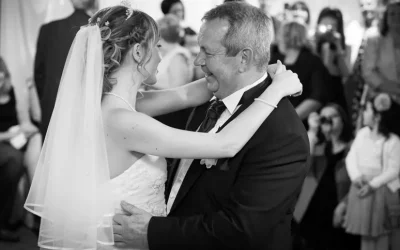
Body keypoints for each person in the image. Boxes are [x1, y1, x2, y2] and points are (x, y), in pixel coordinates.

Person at [24, 3, 304, 250]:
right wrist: (276, 90)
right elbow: (225, 144)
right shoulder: (123, 120)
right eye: (157, 47)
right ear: (137, 53)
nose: (192, 59)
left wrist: (260, 72)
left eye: (205, 51)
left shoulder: (125, 103)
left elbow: (187, 94)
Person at [113, 2, 309, 250]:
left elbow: (243, 231)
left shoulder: (282, 135)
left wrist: (153, 233)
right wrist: (275, 85)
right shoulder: (207, 97)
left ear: (243, 58)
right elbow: (219, 144)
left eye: (207, 51)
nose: (196, 61)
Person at [295, 104, 359, 250]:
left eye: (333, 116)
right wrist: (312, 130)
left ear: (343, 120)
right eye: (324, 118)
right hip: (312, 218)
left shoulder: (353, 148)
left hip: (339, 217)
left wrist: (344, 204)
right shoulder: (318, 148)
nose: (328, 120)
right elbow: (304, 166)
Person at [344, 93, 400, 250]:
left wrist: (373, 185)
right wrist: (356, 176)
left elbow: (393, 170)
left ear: (378, 116)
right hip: (361, 188)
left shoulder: (392, 141)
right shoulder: (362, 134)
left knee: (382, 235)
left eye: (367, 110)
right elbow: (351, 158)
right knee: (366, 236)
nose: (364, 113)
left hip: (380, 192)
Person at [34, 0, 98, 138]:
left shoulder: (48, 29)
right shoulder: (100, 30)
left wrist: (48, 98)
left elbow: (39, 75)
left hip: (52, 105)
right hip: (87, 109)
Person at [270, 20, 333, 123]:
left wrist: (290, 119)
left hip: (300, 122)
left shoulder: (313, 61)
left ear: (288, 37)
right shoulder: (276, 59)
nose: (277, 39)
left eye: (280, 35)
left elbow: (317, 97)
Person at [362, 1, 400, 137]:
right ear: (386, 17)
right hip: (382, 100)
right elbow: (368, 72)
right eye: (392, 14)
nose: (396, 17)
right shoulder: (374, 40)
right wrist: (395, 89)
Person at [314, 8, 351, 112]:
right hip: (315, 90)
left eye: (332, 26)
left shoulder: (344, 47)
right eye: (324, 25)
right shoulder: (311, 43)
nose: (328, 30)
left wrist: (338, 47)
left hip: (334, 92)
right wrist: (316, 42)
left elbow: (346, 72)